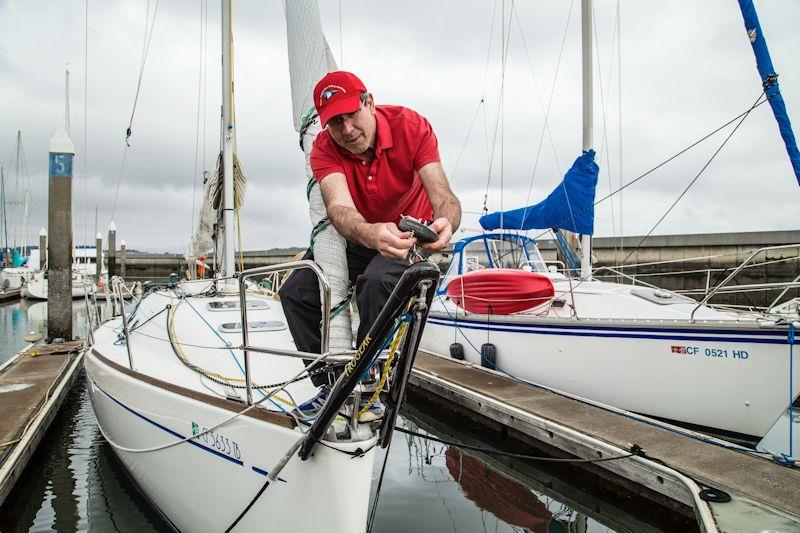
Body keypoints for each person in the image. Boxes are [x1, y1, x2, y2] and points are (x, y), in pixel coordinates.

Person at [279, 71, 461, 419]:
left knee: (378, 284)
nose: (347, 130)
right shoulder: (324, 149)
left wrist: (444, 224)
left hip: (409, 238)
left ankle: (367, 385)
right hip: (361, 236)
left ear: (369, 103)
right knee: (297, 292)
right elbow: (339, 208)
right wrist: (372, 233)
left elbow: (443, 196)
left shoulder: (411, 126)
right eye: (335, 122)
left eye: (352, 114)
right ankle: (331, 387)